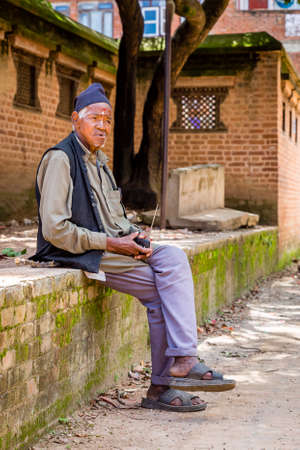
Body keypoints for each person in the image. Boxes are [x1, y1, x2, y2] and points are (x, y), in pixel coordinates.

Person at [31, 83, 235, 412]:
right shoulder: (61, 159)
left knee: (173, 256)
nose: (102, 125)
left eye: (108, 120)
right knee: (159, 291)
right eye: (95, 118)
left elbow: (114, 218)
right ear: (75, 120)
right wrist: (113, 243)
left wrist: (135, 236)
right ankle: (163, 383)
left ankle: (183, 359)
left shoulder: (99, 162)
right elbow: (55, 230)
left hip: (113, 249)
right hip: (80, 253)